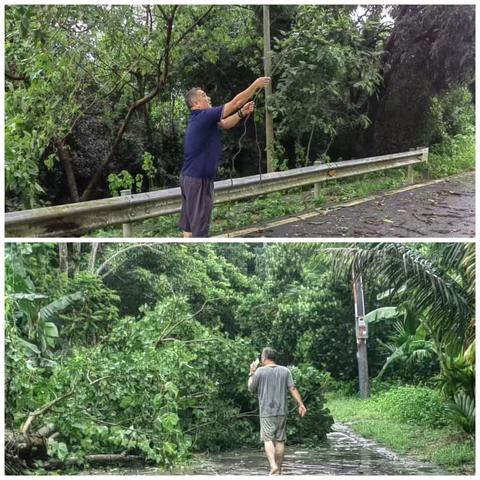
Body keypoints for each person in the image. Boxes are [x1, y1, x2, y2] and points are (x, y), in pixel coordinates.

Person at [179, 77, 271, 237]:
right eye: (203, 95)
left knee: (189, 230)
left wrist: (242, 113)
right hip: (198, 181)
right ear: (196, 104)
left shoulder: (202, 120)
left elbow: (226, 123)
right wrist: (255, 85)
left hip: (189, 179)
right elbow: (236, 102)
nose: (208, 97)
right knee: (199, 233)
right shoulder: (203, 116)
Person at [248, 347, 307, 475]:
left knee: (268, 439)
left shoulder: (259, 372)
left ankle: (273, 465)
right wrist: (301, 404)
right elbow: (293, 388)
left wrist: (252, 373)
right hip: (281, 411)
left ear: (264, 358)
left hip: (266, 412)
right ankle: (278, 471)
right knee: (280, 441)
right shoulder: (285, 371)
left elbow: (251, 388)